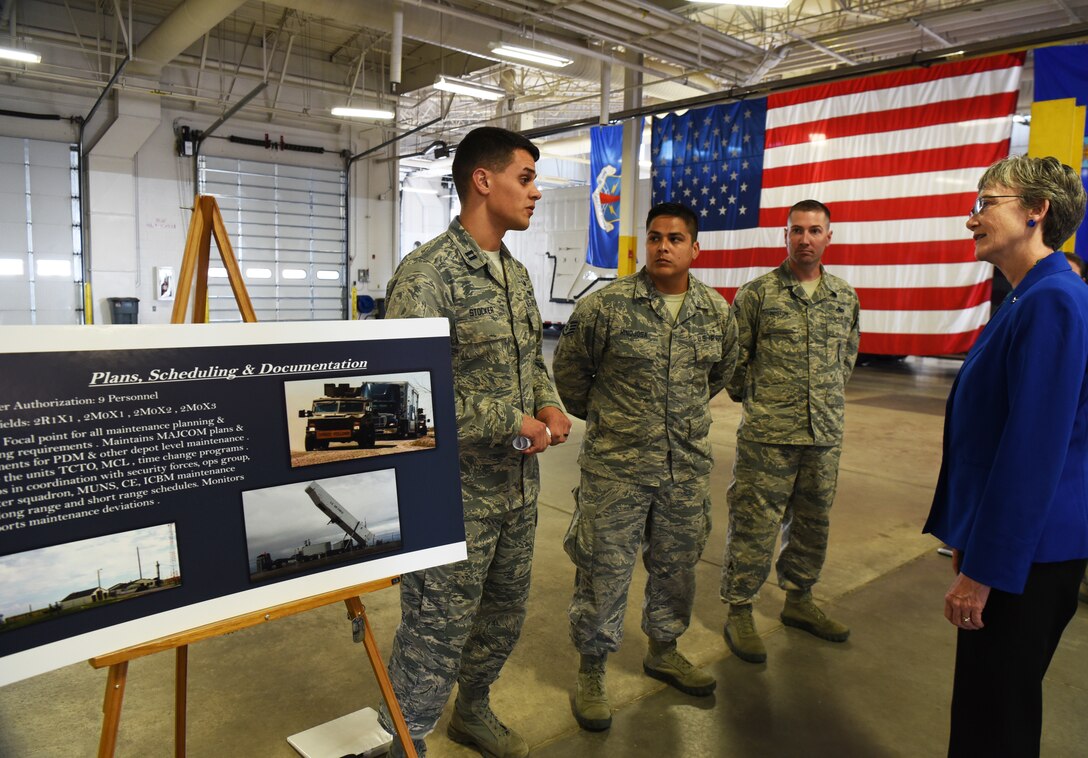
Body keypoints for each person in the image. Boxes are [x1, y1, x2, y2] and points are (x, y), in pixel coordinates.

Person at [378, 126, 572, 758]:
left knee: (501, 618)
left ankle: (474, 709)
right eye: (526, 178)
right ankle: (402, 738)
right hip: (452, 496)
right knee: (435, 630)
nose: (535, 192)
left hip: (515, 491)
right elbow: (398, 400)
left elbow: (529, 363)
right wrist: (508, 420)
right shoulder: (426, 274)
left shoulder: (514, 275)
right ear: (482, 181)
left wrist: (546, 402)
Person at [552, 202, 739, 731]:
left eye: (675, 239)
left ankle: (664, 648)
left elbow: (721, 371)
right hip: (617, 469)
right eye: (655, 237)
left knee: (677, 567)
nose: (663, 247)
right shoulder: (607, 307)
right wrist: (616, 421)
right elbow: (570, 375)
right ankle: (592, 669)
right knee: (603, 570)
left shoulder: (715, 311)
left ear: (694, 248)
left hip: (685, 468)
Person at [924, 155, 1088, 757]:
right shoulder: (1028, 297)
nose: (972, 218)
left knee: (996, 719)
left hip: (1031, 559)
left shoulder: (1053, 302)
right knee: (986, 707)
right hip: (1018, 549)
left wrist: (985, 569)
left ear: (1036, 211)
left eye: (986, 202)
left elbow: (1031, 453)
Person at [719, 199, 860, 664]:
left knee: (814, 521)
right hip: (768, 435)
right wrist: (762, 401)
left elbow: (847, 358)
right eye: (797, 230)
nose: (805, 239)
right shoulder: (757, 294)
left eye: (815, 231)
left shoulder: (845, 297)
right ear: (785, 235)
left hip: (824, 434)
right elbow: (735, 363)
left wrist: (823, 402)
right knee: (755, 523)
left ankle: (799, 598)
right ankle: (740, 608)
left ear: (828, 237)